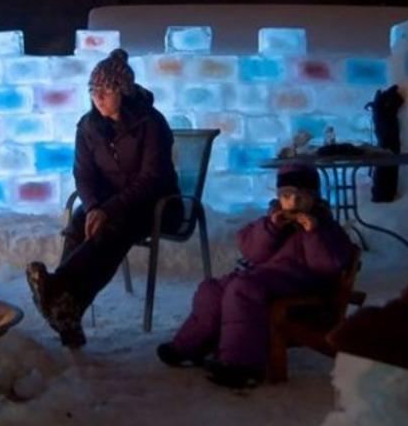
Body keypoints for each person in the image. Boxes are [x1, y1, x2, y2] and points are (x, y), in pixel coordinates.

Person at [26, 48, 182, 348]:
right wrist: (95, 206)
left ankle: (59, 288)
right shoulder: (88, 127)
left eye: (107, 90)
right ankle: (67, 312)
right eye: (93, 90)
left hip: (157, 204)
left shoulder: (150, 123)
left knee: (112, 229)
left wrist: (107, 209)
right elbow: (83, 175)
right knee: (79, 222)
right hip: (110, 203)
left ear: (123, 91)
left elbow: (151, 180)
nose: (99, 97)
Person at [157, 164, 354, 388]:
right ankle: (190, 346)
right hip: (267, 280)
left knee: (243, 290)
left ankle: (241, 364)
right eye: (287, 196)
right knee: (212, 289)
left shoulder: (327, 228)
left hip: (301, 288)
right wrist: (271, 228)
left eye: (302, 196)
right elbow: (252, 251)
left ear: (315, 198)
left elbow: (327, 265)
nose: (294, 203)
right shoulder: (273, 221)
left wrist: (314, 233)